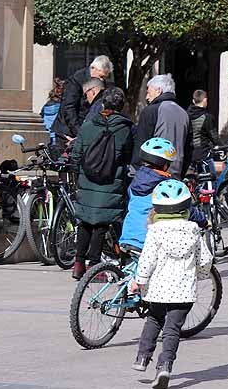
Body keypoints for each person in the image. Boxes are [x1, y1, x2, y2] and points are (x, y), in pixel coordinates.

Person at [129, 179, 213, 389]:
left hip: (158, 290)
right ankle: (165, 366)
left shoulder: (155, 232)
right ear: (186, 209)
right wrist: (201, 275)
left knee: (154, 320)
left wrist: (139, 281)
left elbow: (147, 260)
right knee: (172, 329)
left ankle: (142, 357)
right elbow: (204, 261)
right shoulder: (193, 230)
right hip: (183, 292)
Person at [70, 87, 134, 280]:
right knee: (101, 224)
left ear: (103, 103)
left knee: (85, 221)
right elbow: (128, 155)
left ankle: (78, 264)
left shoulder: (88, 125)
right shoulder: (125, 128)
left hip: (88, 179)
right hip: (111, 181)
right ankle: (94, 266)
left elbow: (76, 155)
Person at [120, 138, 206, 251]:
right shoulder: (165, 186)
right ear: (165, 165)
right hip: (150, 239)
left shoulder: (136, 180)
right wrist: (203, 220)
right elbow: (185, 208)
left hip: (128, 235)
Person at [52, 55, 113, 145]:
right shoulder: (77, 79)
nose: (101, 80)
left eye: (104, 78)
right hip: (67, 131)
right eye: (100, 76)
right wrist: (79, 133)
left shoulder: (100, 84)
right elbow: (69, 108)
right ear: (93, 68)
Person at [135, 75, 189, 176]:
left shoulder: (150, 111)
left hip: (152, 175)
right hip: (176, 175)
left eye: (148, 92)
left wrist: (136, 173)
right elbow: (188, 149)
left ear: (158, 91)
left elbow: (140, 144)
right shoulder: (184, 113)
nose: (147, 97)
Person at [186, 90, 218, 174]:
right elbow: (214, 137)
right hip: (203, 154)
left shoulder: (185, 115)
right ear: (205, 100)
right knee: (211, 179)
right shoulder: (207, 117)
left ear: (193, 101)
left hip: (188, 153)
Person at [39, 78, 64, 145]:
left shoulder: (46, 105)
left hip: (47, 132)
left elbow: (41, 116)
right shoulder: (62, 106)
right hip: (57, 134)